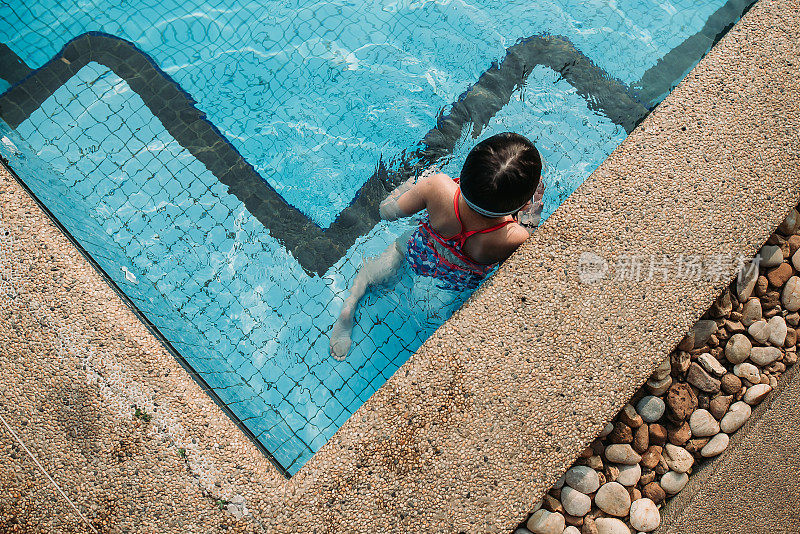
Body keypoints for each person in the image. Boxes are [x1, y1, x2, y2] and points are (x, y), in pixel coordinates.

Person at [329, 132, 544, 360]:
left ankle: (350, 305)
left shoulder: (438, 186)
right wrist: (532, 208)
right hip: (460, 279)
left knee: (392, 254)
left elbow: (387, 211)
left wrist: (412, 184)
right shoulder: (513, 237)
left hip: (420, 248)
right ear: (521, 202)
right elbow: (518, 262)